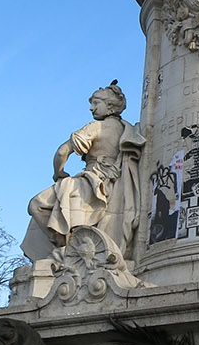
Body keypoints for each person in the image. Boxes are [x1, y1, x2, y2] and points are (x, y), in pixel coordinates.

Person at [26, 82, 144, 256]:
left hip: (91, 182)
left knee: (36, 205)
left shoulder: (97, 127)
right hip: (114, 185)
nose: (91, 108)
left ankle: (64, 248)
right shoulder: (128, 129)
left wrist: (58, 173)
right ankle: (69, 248)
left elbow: (62, 151)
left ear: (110, 106)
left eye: (96, 103)